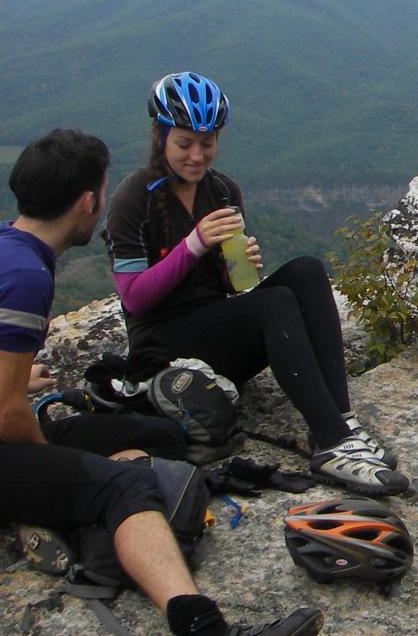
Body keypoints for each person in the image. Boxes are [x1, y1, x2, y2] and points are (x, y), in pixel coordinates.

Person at [0, 129, 322, 636]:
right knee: (126, 484)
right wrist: (55, 472)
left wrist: (18, 380)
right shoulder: (26, 276)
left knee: (163, 439)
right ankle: (203, 625)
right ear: (89, 201)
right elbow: (7, 416)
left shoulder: (9, 250)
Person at [103, 72, 406, 495]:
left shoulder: (222, 190)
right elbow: (135, 299)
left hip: (212, 342)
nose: (197, 156)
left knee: (306, 270)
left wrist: (237, 269)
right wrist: (193, 244)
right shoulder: (134, 198)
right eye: (184, 143)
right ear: (160, 137)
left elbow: (229, 292)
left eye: (207, 143)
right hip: (163, 354)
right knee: (274, 302)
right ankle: (334, 445)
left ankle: (339, 421)